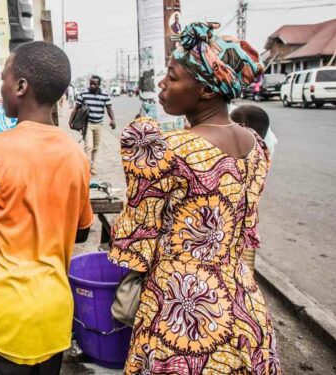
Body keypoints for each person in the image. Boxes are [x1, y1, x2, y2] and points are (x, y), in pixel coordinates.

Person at [109, 22, 280, 374]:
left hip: (182, 314)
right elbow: (244, 228)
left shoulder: (167, 150)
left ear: (204, 90)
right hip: (243, 308)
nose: (162, 85)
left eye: (172, 77)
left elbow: (137, 242)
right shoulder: (257, 147)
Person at [0, 41, 93, 374]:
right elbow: (83, 230)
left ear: (20, 87)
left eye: (3, 78)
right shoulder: (77, 156)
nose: (0, 87)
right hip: (54, 316)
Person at [70, 75, 116, 175]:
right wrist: (71, 120)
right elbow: (76, 108)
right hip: (88, 124)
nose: (92, 86)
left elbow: (109, 108)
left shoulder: (104, 95)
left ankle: (92, 166)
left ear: (99, 85)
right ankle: (86, 168)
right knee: (88, 146)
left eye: (95, 84)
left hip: (99, 125)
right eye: (91, 83)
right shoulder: (84, 94)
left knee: (95, 148)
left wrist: (112, 120)